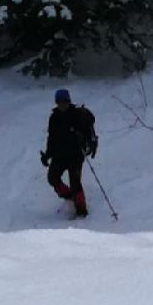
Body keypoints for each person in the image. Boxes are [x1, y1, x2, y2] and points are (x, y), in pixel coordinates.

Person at [40, 89, 97, 219]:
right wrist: (47, 155)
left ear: (68, 101)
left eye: (65, 101)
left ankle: (81, 210)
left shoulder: (77, 115)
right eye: (59, 102)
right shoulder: (54, 118)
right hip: (59, 155)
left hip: (75, 156)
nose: (62, 104)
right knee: (52, 178)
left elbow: (88, 133)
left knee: (75, 182)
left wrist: (88, 143)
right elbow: (51, 138)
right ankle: (70, 196)